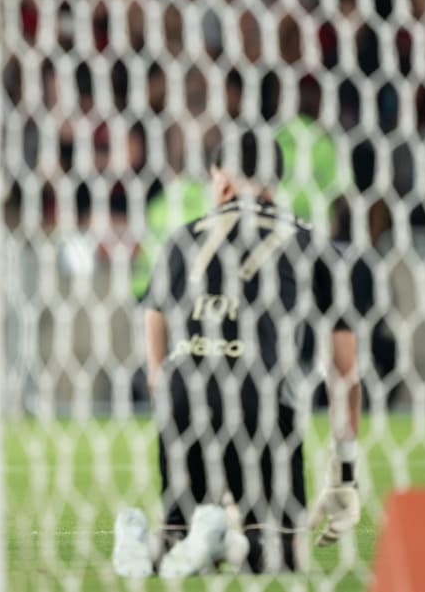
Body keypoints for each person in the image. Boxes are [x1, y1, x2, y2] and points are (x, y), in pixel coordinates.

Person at [112, 130, 362, 577]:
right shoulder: (309, 241)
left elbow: (153, 314)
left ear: (222, 181)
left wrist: (159, 383)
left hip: (184, 393)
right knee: (281, 557)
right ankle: (232, 542)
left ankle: (153, 539)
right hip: (261, 398)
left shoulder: (184, 236)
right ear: (276, 183)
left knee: (180, 538)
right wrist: (344, 470)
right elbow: (346, 369)